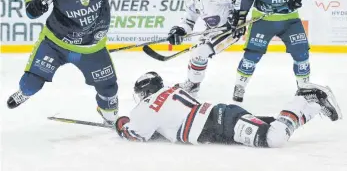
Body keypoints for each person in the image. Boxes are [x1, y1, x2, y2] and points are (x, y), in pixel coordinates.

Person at [6, 0, 127, 126]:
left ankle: (108, 113)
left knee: (109, 89)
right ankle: (24, 93)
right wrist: (35, 6)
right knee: (31, 84)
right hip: (56, 43)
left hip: (91, 47)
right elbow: (32, 10)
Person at [115, 71, 341, 146]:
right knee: (277, 124)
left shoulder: (146, 107)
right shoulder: (171, 90)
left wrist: (121, 122)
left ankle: (303, 96)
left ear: (144, 92)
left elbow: (135, 135)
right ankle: (312, 107)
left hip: (219, 123)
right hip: (220, 117)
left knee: (274, 139)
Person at [166, 0, 240, 95]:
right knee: (195, 53)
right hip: (213, 30)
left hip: (231, 30)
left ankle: (193, 85)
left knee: (200, 53)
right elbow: (189, 21)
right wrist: (180, 30)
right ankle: (191, 82)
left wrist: (235, 18)